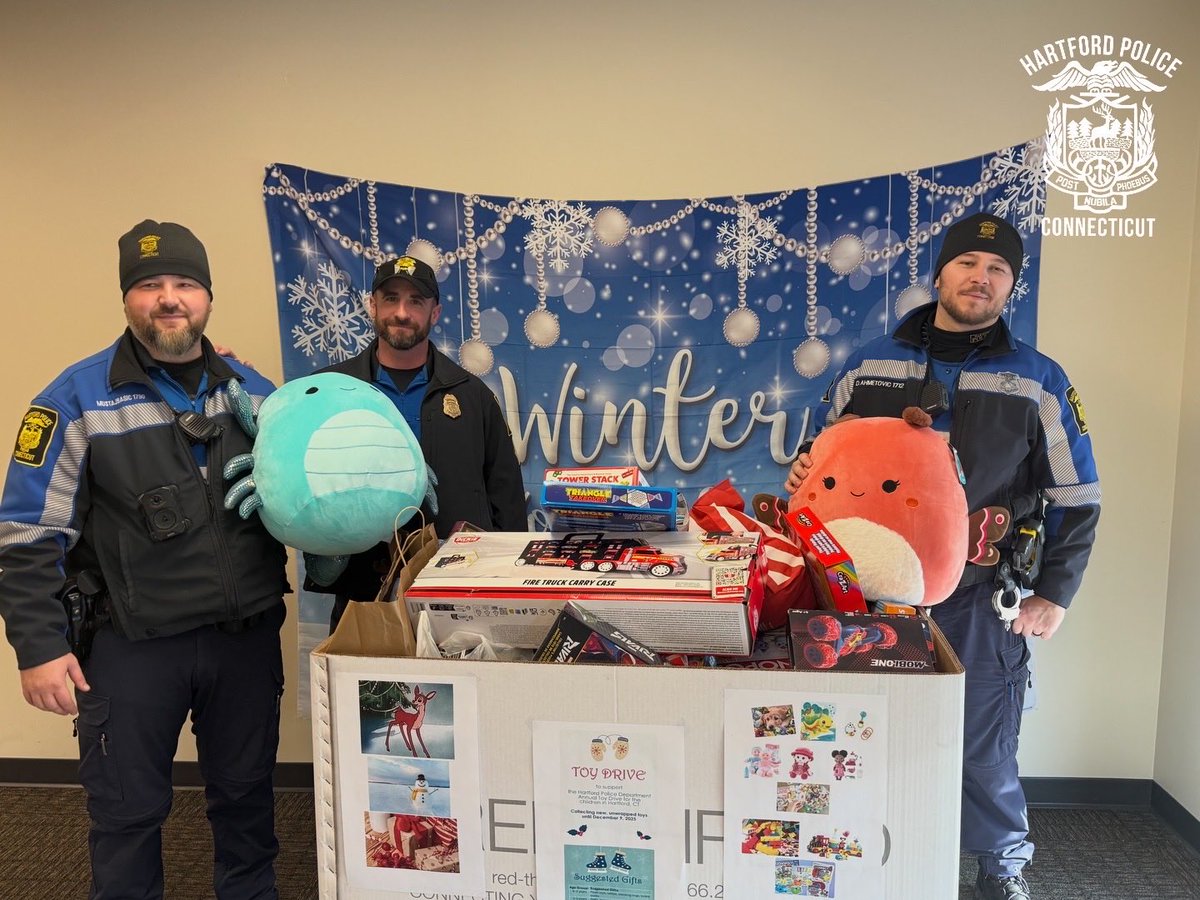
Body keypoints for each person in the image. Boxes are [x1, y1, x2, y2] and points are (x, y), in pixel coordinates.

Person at [785, 212, 1100, 900]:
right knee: (863, 734)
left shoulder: (1038, 380)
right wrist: (805, 469)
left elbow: (1078, 495)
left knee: (982, 744)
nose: (979, 280)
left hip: (982, 593)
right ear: (941, 273)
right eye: (968, 265)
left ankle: (1001, 871)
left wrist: (1055, 593)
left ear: (1010, 286)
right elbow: (821, 457)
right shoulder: (872, 362)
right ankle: (866, 861)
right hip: (870, 594)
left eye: (997, 271)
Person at [0, 220, 290, 898]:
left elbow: (301, 499)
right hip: (132, 648)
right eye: (149, 285)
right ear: (127, 299)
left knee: (247, 804)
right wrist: (38, 648)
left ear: (207, 298)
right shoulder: (72, 401)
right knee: (127, 814)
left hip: (242, 641)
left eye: (185, 283)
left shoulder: (254, 392)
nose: (169, 298)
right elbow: (24, 535)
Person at [315, 255, 527, 628]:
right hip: (362, 595)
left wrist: (512, 578)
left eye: (416, 301)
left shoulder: (472, 396)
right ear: (372, 305)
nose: (401, 312)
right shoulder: (333, 391)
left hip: (458, 595)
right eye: (391, 298)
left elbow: (505, 494)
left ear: (435, 312)